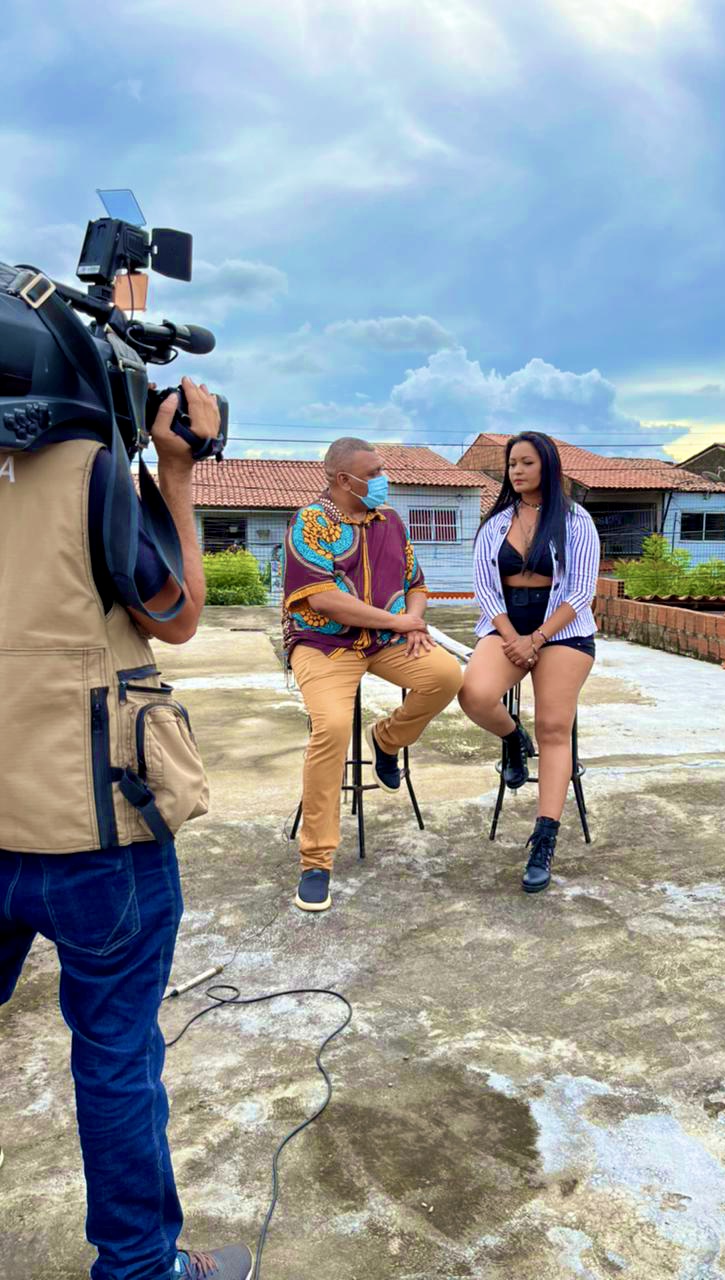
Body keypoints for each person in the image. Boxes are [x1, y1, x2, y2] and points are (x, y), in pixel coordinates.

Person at [0, 379, 253, 1280]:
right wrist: (176, 472)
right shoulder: (93, 470)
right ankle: (141, 1268)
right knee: (114, 1056)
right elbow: (175, 614)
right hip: (95, 824)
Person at [283, 436, 463, 912]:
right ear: (345, 480)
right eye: (375, 472)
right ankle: (316, 860)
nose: (384, 479)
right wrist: (398, 622)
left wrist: (414, 622)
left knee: (445, 675)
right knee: (332, 728)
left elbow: (416, 584)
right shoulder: (310, 522)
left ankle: (386, 739)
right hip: (324, 643)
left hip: (386, 641)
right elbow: (323, 599)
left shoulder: (390, 522)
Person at [458, 431, 600, 893]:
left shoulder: (576, 521)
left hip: (563, 631)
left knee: (554, 728)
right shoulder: (495, 523)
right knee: (474, 694)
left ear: (548, 467)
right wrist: (513, 638)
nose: (516, 471)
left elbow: (580, 591)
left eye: (527, 463)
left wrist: (537, 638)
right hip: (506, 626)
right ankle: (513, 738)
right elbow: (484, 588)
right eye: (512, 464)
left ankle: (544, 839)